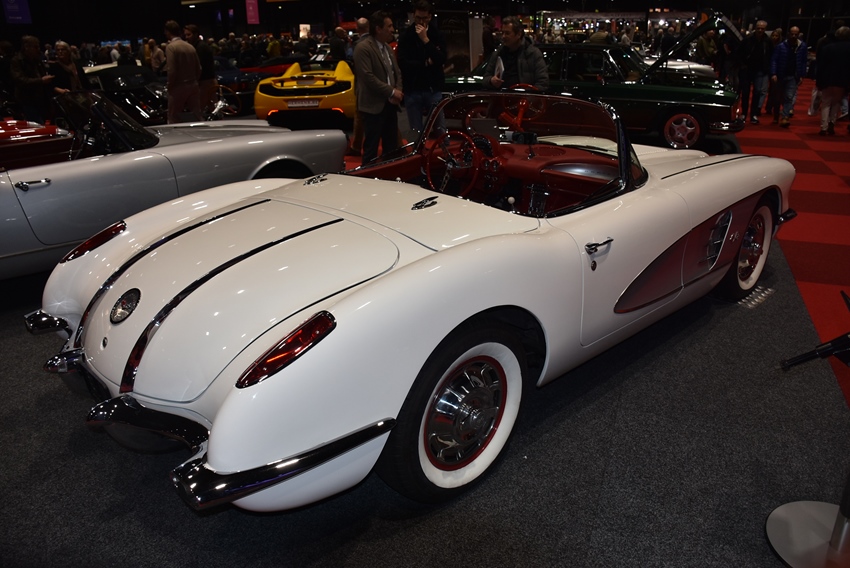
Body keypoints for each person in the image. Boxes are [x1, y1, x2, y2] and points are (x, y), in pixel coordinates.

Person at [353, 10, 403, 164]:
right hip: (372, 107)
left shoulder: (387, 48)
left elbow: (397, 72)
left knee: (391, 149)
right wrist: (392, 92)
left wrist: (398, 91)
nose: (392, 30)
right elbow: (368, 78)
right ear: (378, 29)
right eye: (389, 26)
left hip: (390, 105)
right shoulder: (363, 48)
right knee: (371, 150)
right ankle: (368, 176)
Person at [397, 0, 446, 136]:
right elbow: (403, 63)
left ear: (430, 17)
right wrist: (425, 63)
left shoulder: (437, 34)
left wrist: (426, 40)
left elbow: (441, 59)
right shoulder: (406, 36)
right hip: (413, 89)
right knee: (416, 133)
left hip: (433, 88)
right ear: (413, 16)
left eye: (424, 18)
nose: (421, 21)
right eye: (418, 18)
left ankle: (444, 150)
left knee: (440, 130)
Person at [482, 16, 548, 91]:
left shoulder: (533, 53)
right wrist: (491, 81)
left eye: (507, 33)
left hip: (524, 97)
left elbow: (543, 83)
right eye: (502, 33)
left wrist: (526, 93)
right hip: (501, 96)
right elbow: (485, 79)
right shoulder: (498, 53)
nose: (503, 36)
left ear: (518, 34)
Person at [163, 20, 202, 123]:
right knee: (196, 115)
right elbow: (199, 68)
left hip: (178, 86)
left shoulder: (171, 47)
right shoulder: (190, 46)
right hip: (193, 84)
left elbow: (172, 70)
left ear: (168, 32)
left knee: (173, 117)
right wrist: (194, 81)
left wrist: (170, 85)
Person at [9, 35, 54, 123]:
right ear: (26, 47)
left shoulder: (37, 60)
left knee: (43, 123)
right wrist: (41, 81)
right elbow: (20, 80)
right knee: (37, 124)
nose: (38, 49)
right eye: (35, 47)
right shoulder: (17, 60)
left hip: (41, 99)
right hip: (27, 100)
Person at [815, 26, 850, 135]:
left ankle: (823, 127)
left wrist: (818, 80)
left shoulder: (828, 48)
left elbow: (821, 65)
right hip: (842, 80)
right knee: (836, 102)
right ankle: (832, 122)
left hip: (827, 79)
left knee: (826, 102)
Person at [771, 26, 808, 128]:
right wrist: (773, 73)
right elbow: (774, 60)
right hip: (780, 75)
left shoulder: (802, 47)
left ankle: (785, 117)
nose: (794, 36)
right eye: (792, 34)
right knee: (778, 98)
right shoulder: (781, 46)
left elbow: (803, 62)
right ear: (788, 34)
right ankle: (776, 115)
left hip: (793, 76)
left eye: (796, 34)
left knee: (789, 97)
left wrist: (802, 75)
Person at [737, 20, 772, 124]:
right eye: (758, 28)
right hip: (747, 69)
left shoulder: (767, 41)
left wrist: (767, 68)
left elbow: (770, 55)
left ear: (765, 29)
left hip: (760, 70)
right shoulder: (747, 40)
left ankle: (753, 114)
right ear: (755, 28)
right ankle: (744, 113)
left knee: (757, 92)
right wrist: (742, 65)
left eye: (762, 28)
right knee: (745, 92)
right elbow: (739, 53)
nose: (760, 30)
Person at [346, 17, 370, 156]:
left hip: (362, 85)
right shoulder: (376, 42)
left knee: (359, 116)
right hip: (376, 84)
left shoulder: (356, 44)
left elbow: (350, 58)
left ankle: (356, 147)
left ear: (357, 29)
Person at [184, 24, 217, 113]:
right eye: (185, 35)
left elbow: (199, 66)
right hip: (206, 80)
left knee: (199, 108)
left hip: (205, 81)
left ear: (196, 34)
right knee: (212, 107)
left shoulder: (201, 47)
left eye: (189, 35)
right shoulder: (198, 46)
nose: (186, 37)